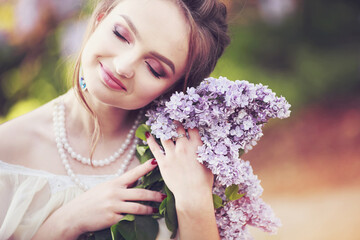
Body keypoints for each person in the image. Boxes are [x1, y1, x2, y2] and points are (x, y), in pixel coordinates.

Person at [0, 0, 230, 239]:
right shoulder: (6, 151)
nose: (123, 66)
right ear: (100, 19)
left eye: (153, 68)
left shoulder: (191, 159)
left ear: (173, 88)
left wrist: (195, 202)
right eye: (121, 35)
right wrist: (65, 222)